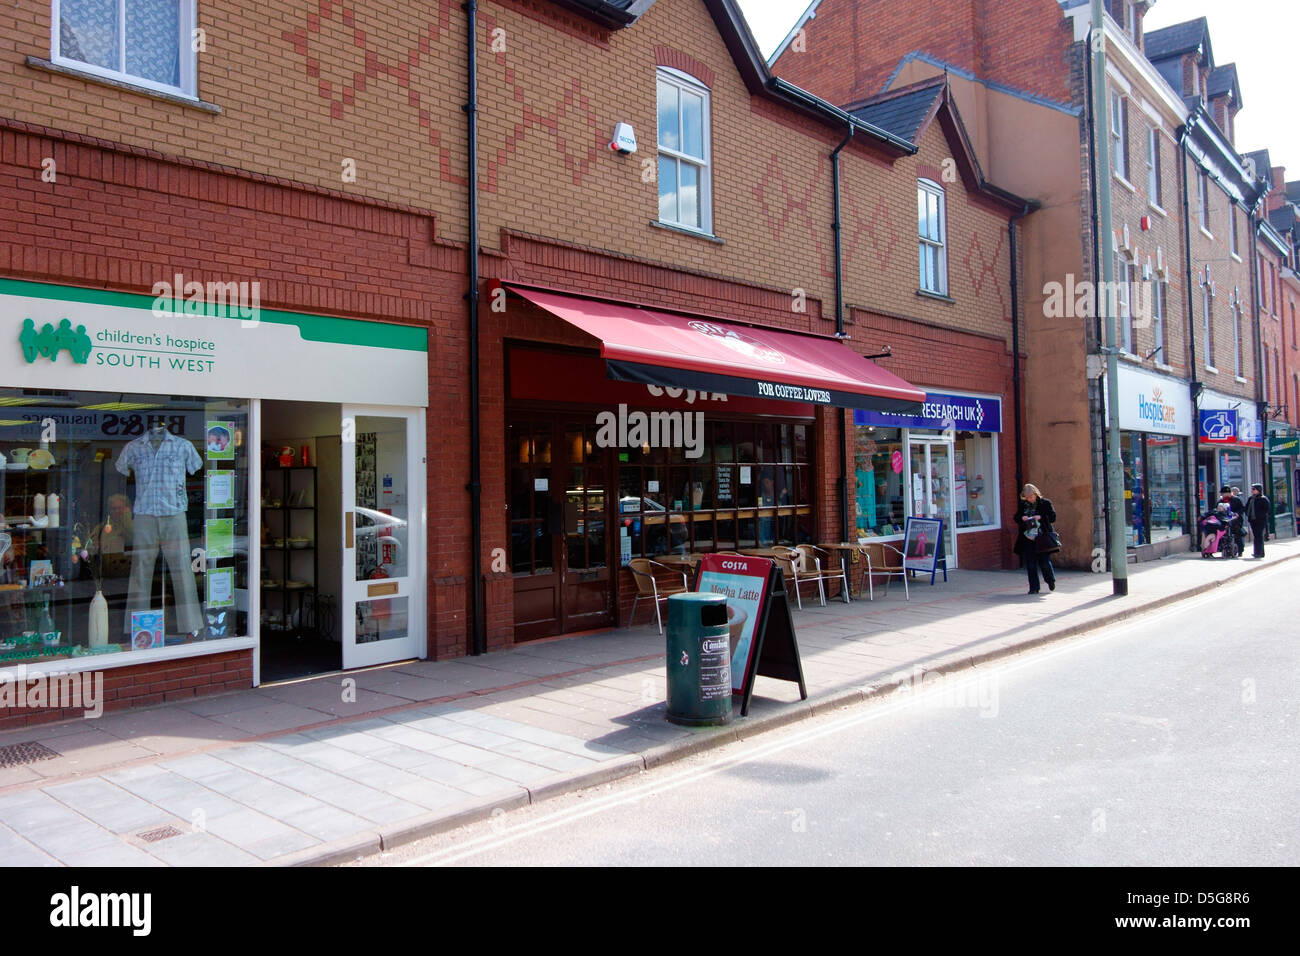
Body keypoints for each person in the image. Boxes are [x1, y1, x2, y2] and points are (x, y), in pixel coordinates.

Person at [1012, 483, 1058, 594]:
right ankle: (1034, 588)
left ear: (1036, 494)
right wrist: (1022, 518)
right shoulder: (1023, 505)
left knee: (1044, 562)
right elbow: (1016, 517)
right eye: (1027, 497)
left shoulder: (1045, 503)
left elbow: (1053, 517)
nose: (1030, 499)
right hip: (1028, 538)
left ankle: (1050, 580)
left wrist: (1041, 517)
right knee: (1031, 564)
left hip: (1042, 537)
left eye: (1031, 496)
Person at [1245, 483, 1271, 558]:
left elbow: (1267, 509)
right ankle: (1257, 552)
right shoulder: (1251, 499)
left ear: (1259, 490)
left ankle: (1260, 553)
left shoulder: (1263, 499)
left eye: (1254, 489)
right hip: (1252, 520)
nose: (1252, 491)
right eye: (1252, 489)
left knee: (1259, 536)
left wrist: (1262, 516)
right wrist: (1248, 514)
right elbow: (1247, 508)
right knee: (1256, 536)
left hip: (1260, 520)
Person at [1219, 486, 1245, 557]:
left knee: (1237, 534)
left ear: (1228, 493)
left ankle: (1240, 550)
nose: (1222, 495)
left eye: (1223, 493)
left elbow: (1242, 509)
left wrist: (1237, 513)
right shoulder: (1221, 501)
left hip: (1235, 521)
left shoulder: (1236, 500)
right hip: (1224, 520)